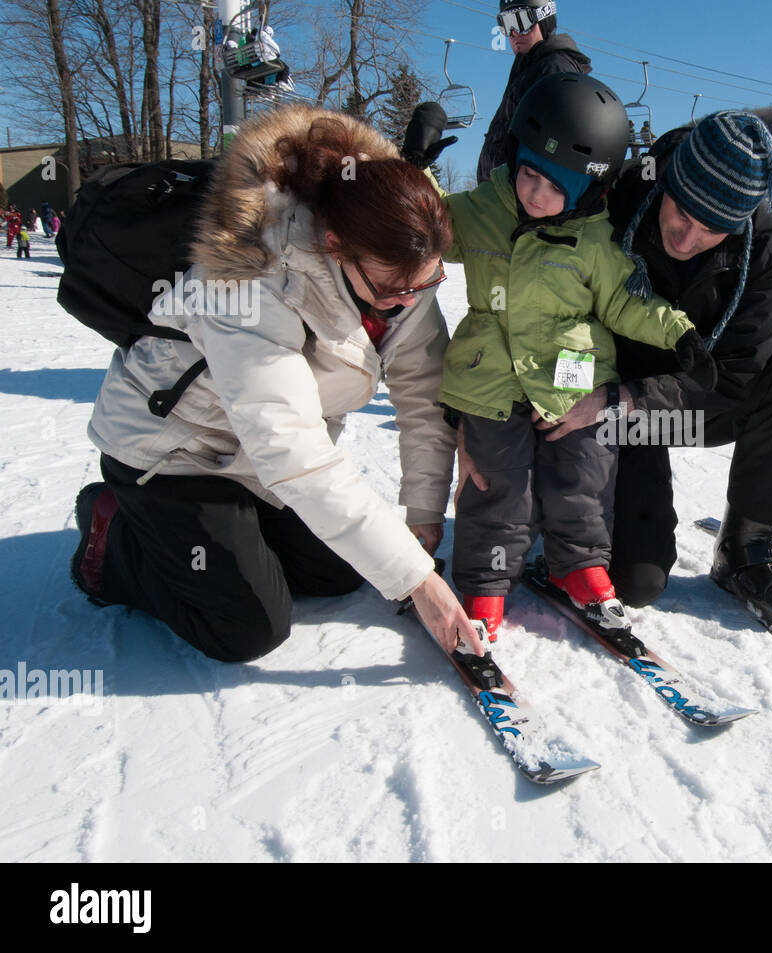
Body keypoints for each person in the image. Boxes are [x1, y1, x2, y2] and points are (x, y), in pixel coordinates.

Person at [69, 105, 483, 663]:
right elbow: (291, 448)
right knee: (247, 627)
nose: (409, 300)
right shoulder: (251, 278)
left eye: (428, 280)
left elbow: (421, 400)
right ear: (335, 246)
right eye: (392, 288)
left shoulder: (401, 269)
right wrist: (418, 582)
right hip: (177, 456)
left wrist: (423, 521)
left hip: (253, 467)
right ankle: (113, 539)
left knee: (340, 572)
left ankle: (228, 544)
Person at [409, 76, 713, 643]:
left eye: (556, 187)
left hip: (572, 379)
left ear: (587, 192)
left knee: (586, 472)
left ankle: (578, 564)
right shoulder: (483, 209)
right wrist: (414, 166)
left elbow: (626, 302)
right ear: (513, 158)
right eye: (528, 173)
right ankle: (486, 581)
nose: (536, 194)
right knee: (498, 486)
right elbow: (428, 223)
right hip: (490, 380)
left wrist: (680, 335)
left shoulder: (595, 242)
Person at [542, 110, 772, 633]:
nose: (685, 237)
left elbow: (741, 373)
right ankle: (560, 512)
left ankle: (746, 546)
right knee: (638, 581)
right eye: (681, 213)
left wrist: (636, 398)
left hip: (686, 404)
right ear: (669, 182)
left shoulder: (767, 248)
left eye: (711, 229)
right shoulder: (624, 190)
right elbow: (552, 285)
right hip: (614, 399)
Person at [476, 1, 591, 184]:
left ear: (545, 20)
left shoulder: (553, 68)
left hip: (520, 197)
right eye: (506, 25)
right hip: (502, 193)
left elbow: (556, 144)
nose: (513, 34)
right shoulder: (528, 68)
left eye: (520, 21)